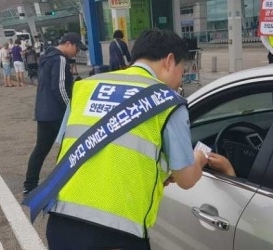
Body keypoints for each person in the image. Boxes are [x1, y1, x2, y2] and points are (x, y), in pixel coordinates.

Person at [37, 28, 228, 250]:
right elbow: (186, 179)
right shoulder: (168, 102)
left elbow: (74, 146)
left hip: (61, 225)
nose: (180, 80)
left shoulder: (85, 87)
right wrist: (199, 158)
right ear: (169, 60)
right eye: (182, 71)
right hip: (117, 237)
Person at [22, 32, 82, 195]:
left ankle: (29, 185)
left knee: (41, 149)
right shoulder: (60, 59)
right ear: (69, 44)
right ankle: (66, 183)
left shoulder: (46, 57)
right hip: (57, 113)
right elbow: (60, 87)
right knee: (70, 147)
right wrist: (70, 108)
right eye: (77, 48)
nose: (77, 52)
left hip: (43, 111)